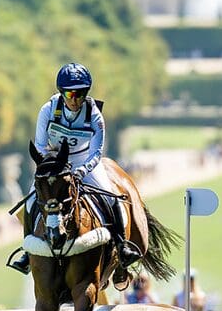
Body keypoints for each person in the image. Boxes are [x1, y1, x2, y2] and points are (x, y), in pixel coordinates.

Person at [8, 63, 140, 276]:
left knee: (112, 198)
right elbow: (41, 147)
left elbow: (96, 153)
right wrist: (55, 167)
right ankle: (27, 251)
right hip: (54, 164)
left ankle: (121, 245)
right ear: (61, 92)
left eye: (81, 93)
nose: (75, 99)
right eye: (70, 93)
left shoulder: (95, 115)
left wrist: (80, 171)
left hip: (83, 163)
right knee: (31, 200)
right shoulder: (48, 110)